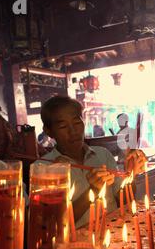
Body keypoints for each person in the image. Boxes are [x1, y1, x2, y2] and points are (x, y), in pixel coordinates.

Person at [39, 96, 146, 228]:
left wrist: (131, 174)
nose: (73, 131)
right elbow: (53, 223)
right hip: (77, 245)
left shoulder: (102, 154)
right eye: (63, 126)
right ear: (48, 131)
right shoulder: (42, 168)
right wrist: (93, 190)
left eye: (77, 123)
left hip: (114, 234)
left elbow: (125, 201)